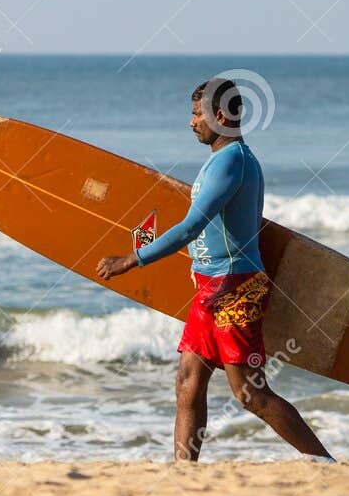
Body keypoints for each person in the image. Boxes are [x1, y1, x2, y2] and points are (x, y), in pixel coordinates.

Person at [96, 80, 332, 462]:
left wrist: (133, 259)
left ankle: (325, 463)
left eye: (196, 114)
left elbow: (192, 226)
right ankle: (184, 473)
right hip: (212, 285)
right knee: (188, 383)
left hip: (235, 286)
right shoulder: (222, 159)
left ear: (219, 115)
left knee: (250, 393)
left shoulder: (232, 161)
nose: (191, 123)